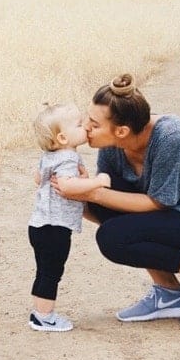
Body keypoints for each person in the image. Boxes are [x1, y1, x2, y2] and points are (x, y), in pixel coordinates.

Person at [53, 74, 180, 328]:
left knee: (112, 237)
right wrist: (75, 192)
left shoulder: (171, 137)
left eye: (94, 124)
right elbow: (105, 201)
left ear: (122, 130)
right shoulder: (113, 146)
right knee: (101, 200)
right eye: (87, 119)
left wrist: (92, 193)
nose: (85, 127)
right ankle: (169, 293)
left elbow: (159, 203)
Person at [27, 102, 111, 332]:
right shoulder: (68, 158)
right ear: (63, 138)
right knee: (52, 272)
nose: (85, 125)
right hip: (55, 227)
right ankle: (44, 317)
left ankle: (39, 313)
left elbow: (38, 178)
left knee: (44, 270)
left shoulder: (49, 156)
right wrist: (97, 181)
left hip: (38, 224)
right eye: (78, 124)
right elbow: (67, 185)